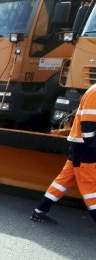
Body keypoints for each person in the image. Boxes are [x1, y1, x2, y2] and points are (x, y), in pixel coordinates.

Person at [31, 83, 96, 224]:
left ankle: (40, 211)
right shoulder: (95, 92)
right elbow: (88, 127)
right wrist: (92, 145)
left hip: (82, 145)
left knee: (64, 180)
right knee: (90, 184)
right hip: (86, 146)